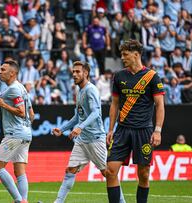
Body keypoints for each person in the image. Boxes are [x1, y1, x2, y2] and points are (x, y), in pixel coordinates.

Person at [51, 61, 125, 203]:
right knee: (70, 170)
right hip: (82, 140)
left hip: (95, 139)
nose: (74, 74)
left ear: (86, 73)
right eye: (73, 72)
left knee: (109, 174)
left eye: (78, 71)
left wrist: (80, 127)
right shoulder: (80, 90)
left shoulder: (91, 90)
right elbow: (78, 116)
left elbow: (96, 112)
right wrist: (62, 129)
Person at [106, 39, 165, 203]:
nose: (122, 58)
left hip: (144, 130)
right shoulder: (119, 76)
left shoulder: (152, 77)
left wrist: (158, 130)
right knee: (110, 171)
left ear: (136, 54)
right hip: (122, 130)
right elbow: (114, 105)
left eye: (125, 54)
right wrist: (110, 129)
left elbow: (160, 105)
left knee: (144, 174)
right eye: (122, 54)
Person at [0, 60, 34, 203]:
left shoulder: (13, 89)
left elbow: (22, 112)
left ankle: (18, 200)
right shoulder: (22, 88)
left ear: (12, 73)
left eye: (3, 70)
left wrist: (3, 104)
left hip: (14, 134)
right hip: (26, 134)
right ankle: (24, 200)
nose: (0, 72)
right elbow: (31, 114)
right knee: (19, 171)